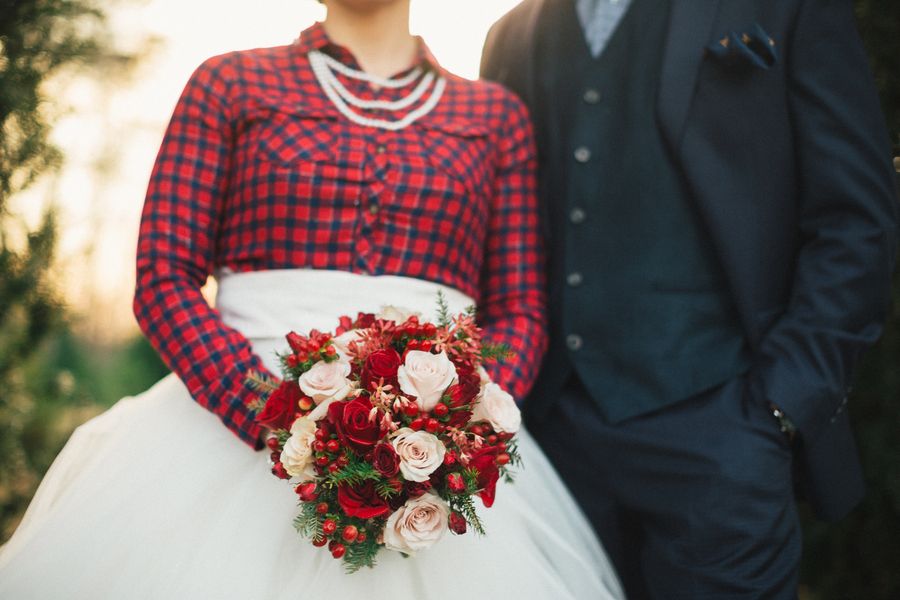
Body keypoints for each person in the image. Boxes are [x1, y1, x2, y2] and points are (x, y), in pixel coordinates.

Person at [0, 1, 626, 598]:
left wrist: (454, 432)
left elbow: (520, 310)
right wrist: (278, 415)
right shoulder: (231, 83)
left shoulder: (495, 118)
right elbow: (165, 275)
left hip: (434, 449)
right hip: (227, 429)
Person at [480, 0, 899, 598]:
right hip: (555, 448)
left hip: (723, 435)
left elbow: (855, 219)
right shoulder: (512, 35)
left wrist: (784, 402)